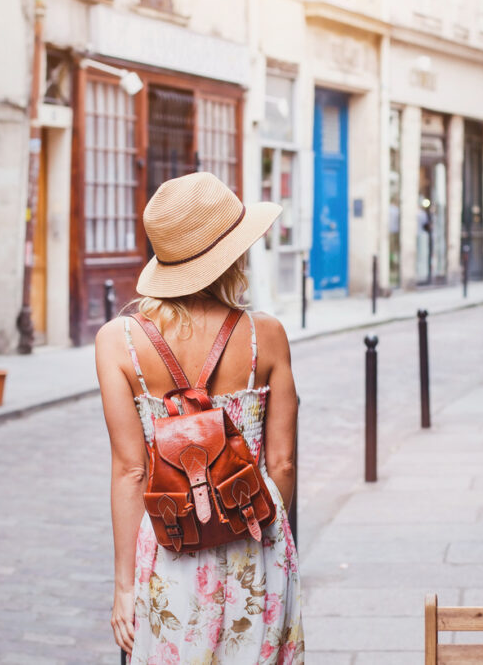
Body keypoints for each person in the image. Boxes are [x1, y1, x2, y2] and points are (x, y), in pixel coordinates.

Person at [95, 172, 304, 663]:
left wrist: (124, 587)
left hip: (171, 547)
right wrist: (259, 531)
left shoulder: (117, 341)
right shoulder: (266, 335)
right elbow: (284, 463)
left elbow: (130, 470)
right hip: (256, 538)